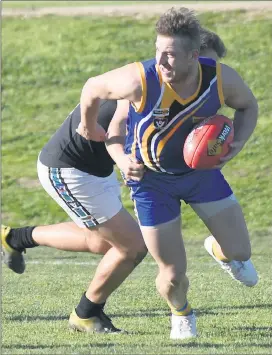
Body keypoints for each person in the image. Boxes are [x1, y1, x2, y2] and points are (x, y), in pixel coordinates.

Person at [1, 25, 235, 336]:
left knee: (103, 242)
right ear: (186, 57)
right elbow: (117, 128)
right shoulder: (147, 86)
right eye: (206, 66)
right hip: (69, 169)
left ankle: (15, 238)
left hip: (97, 169)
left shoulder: (184, 87)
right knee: (132, 246)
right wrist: (126, 160)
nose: (210, 76)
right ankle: (87, 314)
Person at [75, 7, 259, 340]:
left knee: (242, 254)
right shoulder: (139, 79)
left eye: (171, 55)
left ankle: (220, 250)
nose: (162, 61)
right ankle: (181, 313)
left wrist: (239, 142)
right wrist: (98, 136)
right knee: (173, 274)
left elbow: (248, 105)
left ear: (193, 55)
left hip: (200, 174)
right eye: (158, 51)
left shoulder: (220, 78)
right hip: (151, 183)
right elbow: (92, 87)